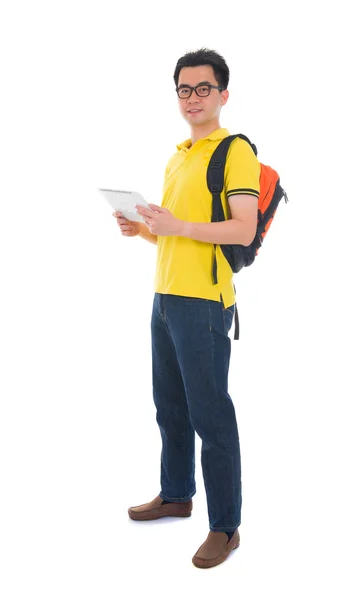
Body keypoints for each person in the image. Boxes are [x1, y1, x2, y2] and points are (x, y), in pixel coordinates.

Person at [113, 48, 260, 569]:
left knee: (210, 416)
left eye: (203, 88)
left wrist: (177, 227)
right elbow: (178, 237)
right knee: (170, 408)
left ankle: (226, 526)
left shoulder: (234, 151)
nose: (192, 98)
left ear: (223, 93)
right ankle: (176, 493)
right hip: (166, 297)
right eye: (184, 89)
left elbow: (242, 227)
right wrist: (146, 231)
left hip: (205, 302)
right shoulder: (178, 155)